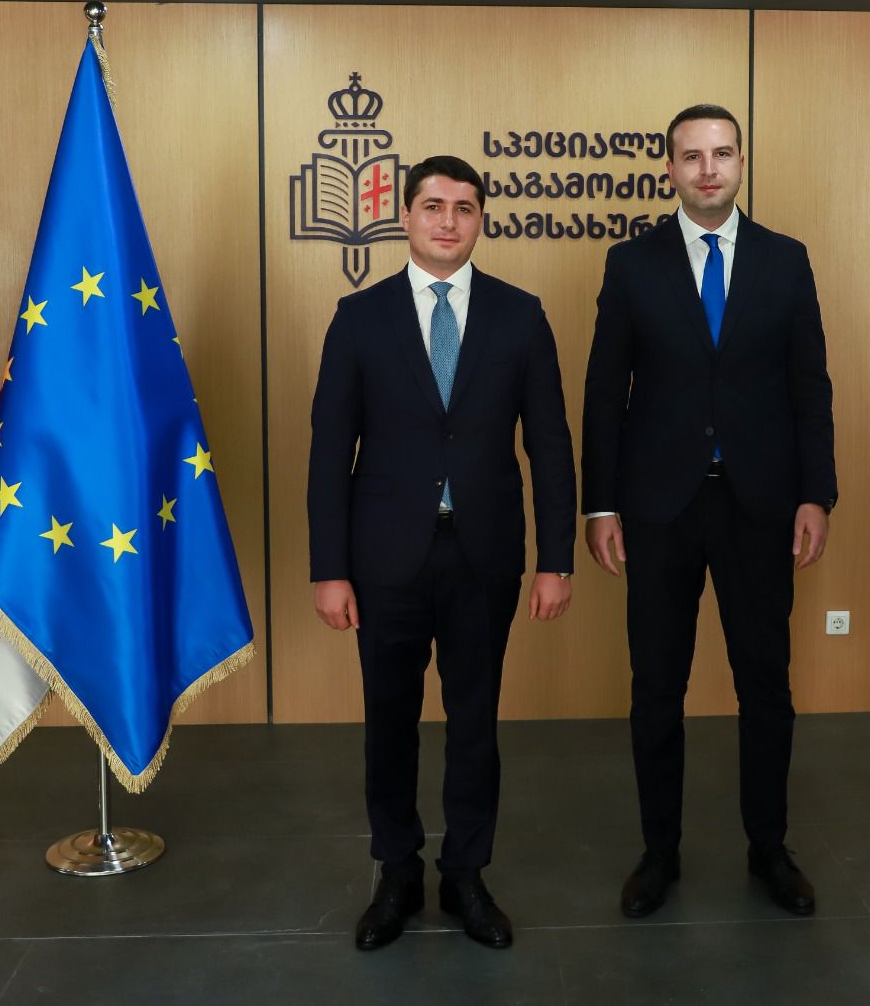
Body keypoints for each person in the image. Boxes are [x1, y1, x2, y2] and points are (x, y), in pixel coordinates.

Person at [308, 154, 576, 951]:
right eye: (433, 206)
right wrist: (329, 568)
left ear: (481, 218)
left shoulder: (521, 316)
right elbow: (329, 453)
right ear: (407, 216)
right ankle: (396, 872)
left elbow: (551, 448)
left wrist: (556, 559)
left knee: (475, 723)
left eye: (464, 207)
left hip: (484, 556)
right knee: (388, 722)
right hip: (384, 559)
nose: (449, 221)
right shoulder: (358, 318)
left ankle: (465, 873)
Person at [581, 105, 837, 919]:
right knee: (657, 684)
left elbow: (809, 386)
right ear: (670, 170)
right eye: (692, 156)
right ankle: (659, 851)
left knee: (765, 684)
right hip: (659, 508)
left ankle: (770, 848)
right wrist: (600, 504)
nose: (708, 169)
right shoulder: (631, 264)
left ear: (740, 163)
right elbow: (604, 393)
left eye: (722, 153)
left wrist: (816, 493)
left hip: (761, 504)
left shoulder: (786, 261)